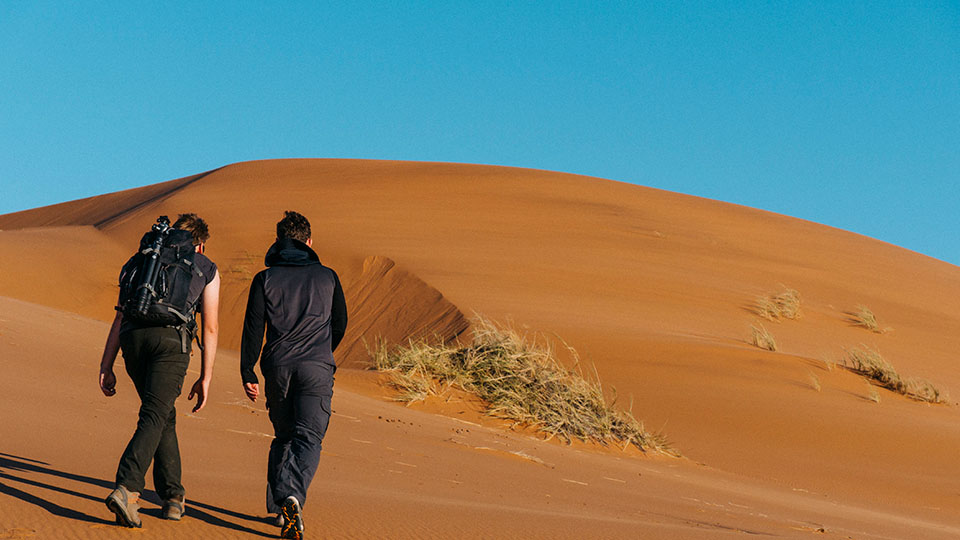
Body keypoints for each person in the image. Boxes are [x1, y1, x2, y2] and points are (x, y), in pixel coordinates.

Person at [99, 213, 220, 528]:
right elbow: (210, 327)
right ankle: (127, 488)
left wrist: (106, 363)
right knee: (154, 414)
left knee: (162, 413)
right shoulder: (204, 267)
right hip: (170, 342)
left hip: (132, 340)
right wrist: (206, 377)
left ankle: (173, 497)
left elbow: (119, 316)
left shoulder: (140, 261)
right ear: (200, 245)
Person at [241, 210, 347, 540]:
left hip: (278, 367)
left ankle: (279, 505)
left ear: (278, 241)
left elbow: (254, 328)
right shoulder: (328, 276)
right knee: (309, 437)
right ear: (309, 242)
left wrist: (248, 369)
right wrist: (322, 350)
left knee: (284, 435)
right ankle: (292, 497)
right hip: (316, 366)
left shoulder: (265, 278)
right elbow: (340, 323)